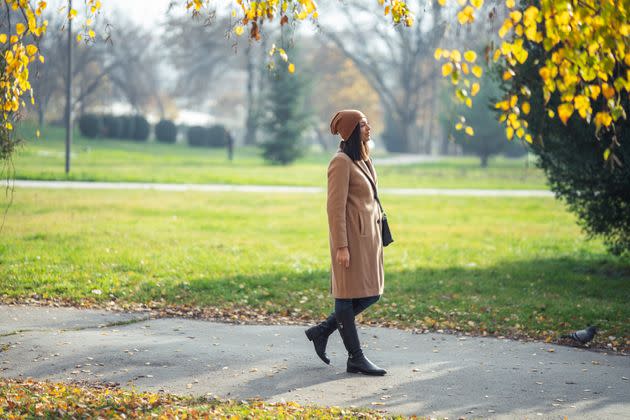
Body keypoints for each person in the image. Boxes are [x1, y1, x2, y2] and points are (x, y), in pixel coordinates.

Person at [305, 109, 386, 376]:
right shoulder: (340, 162)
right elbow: (334, 208)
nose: (368, 128)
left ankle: (323, 331)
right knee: (346, 293)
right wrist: (341, 246)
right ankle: (356, 358)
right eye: (363, 125)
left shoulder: (362, 158)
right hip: (350, 240)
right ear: (352, 131)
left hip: (367, 239)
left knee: (372, 293)